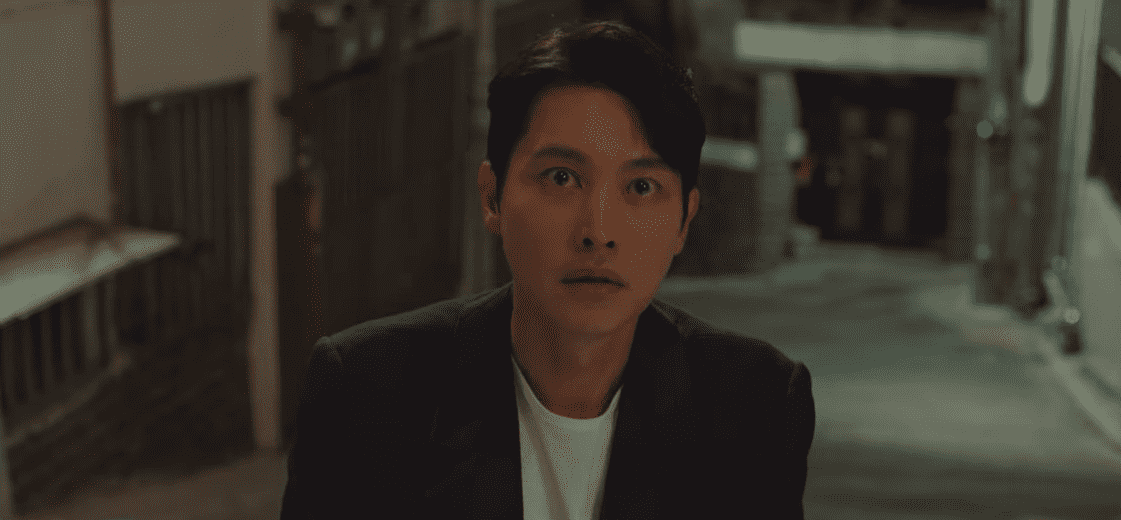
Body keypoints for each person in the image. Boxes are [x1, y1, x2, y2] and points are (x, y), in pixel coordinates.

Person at [280, 20, 815, 519]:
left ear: (683, 222)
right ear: (492, 197)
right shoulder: (365, 394)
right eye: (561, 178)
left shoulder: (755, 405)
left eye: (641, 187)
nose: (598, 231)